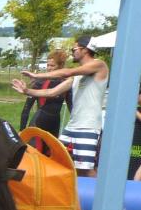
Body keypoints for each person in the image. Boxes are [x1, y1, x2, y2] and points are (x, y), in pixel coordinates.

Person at [13, 36, 109, 177]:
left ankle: (100, 198)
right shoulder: (78, 75)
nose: (72, 52)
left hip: (88, 127)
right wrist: (27, 91)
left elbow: (67, 72)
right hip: (71, 127)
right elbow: (51, 92)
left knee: (86, 170)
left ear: (84, 50)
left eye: (74, 49)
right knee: (62, 163)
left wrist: (37, 75)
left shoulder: (99, 64)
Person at [18, 50, 67, 137]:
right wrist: (22, 130)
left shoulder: (65, 82)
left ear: (60, 66)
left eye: (52, 65)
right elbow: (26, 108)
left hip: (55, 124)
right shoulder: (40, 82)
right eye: (47, 65)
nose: (49, 68)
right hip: (39, 122)